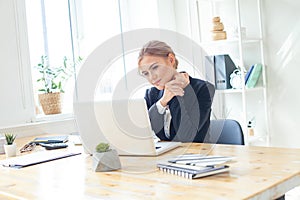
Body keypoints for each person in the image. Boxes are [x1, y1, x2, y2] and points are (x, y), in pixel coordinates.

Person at [138, 40, 215, 143]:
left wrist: (177, 93)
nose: (152, 77)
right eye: (146, 73)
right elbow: (145, 131)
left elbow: (186, 136)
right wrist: (163, 101)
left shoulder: (203, 89)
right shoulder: (152, 94)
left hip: (196, 154)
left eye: (155, 67)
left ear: (171, 59)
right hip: (165, 155)